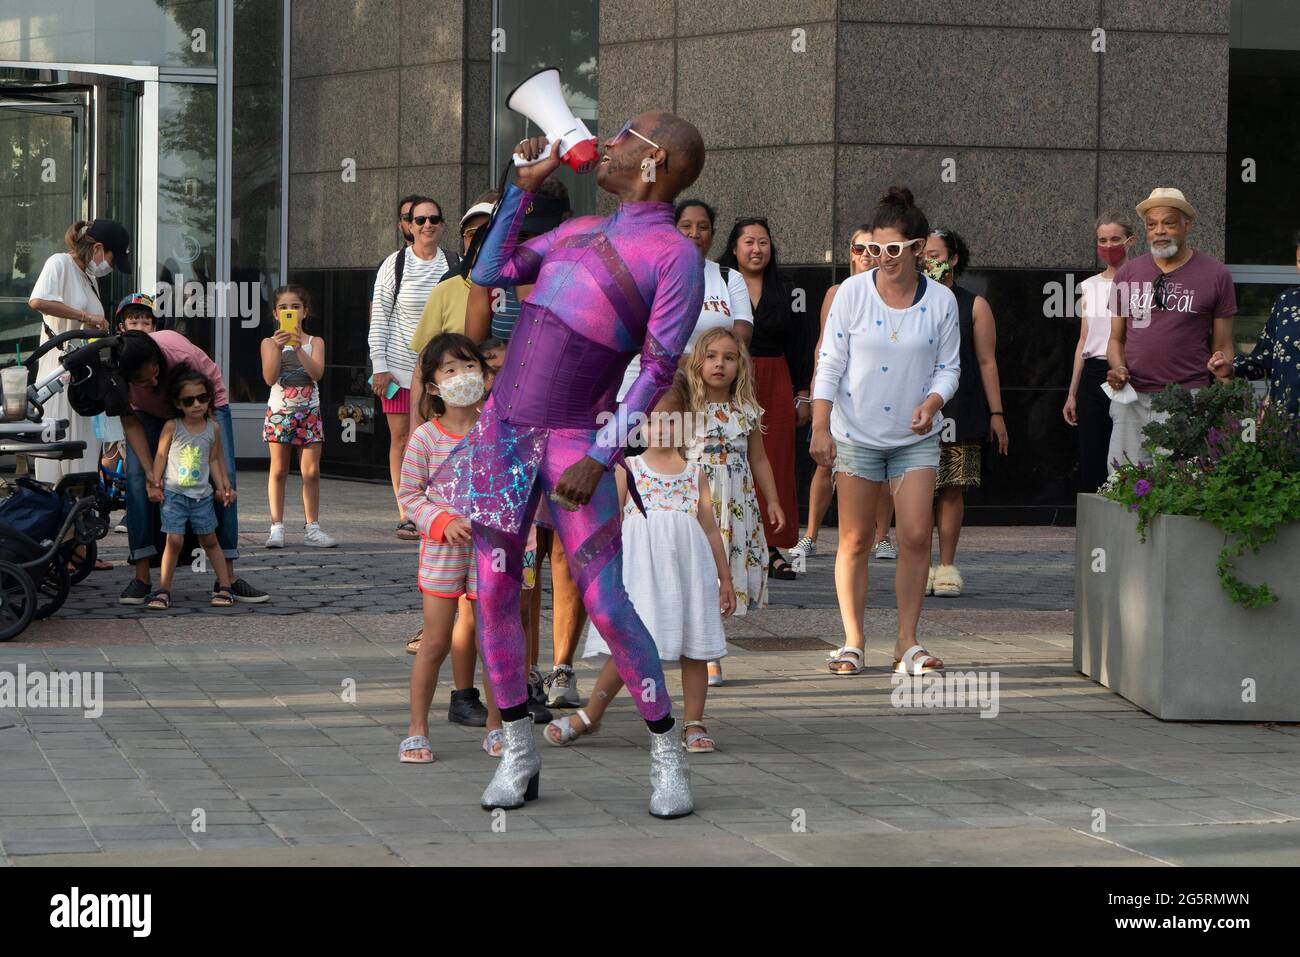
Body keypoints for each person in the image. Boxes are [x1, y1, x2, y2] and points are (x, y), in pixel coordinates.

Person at [431, 111, 707, 817]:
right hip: (504, 433)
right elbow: (487, 272)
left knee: (606, 600)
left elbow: (660, 363)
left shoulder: (674, 254)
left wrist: (604, 450)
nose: (605, 144)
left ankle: (666, 749)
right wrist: (519, 190)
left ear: (656, 163)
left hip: (577, 439)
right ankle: (519, 750)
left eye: (623, 136)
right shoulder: (578, 229)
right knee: (493, 591)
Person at [811, 186, 959, 677]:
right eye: (874, 249)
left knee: (916, 534)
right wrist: (820, 425)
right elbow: (829, 362)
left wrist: (933, 401)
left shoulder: (941, 301)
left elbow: (949, 368)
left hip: (915, 436)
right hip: (855, 432)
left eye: (893, 249)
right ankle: (852, 640)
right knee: (854, 539)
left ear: (918, 248)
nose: (883, 258)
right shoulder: (851, 293)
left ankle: (906, 642)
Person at [549, 384, 734, 751]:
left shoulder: (695, 473)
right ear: (638, 425)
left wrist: (725, 578)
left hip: (688, 573)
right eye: (653, 420)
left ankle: (694, 723)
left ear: (689, 423)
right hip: (640, 572)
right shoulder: (628, 468)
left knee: (694, 647)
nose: (663, 427)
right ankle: (590, 715)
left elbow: (711, 528)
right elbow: (610, 524)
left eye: (672, 419)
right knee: (629, 644)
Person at [397, 333, 501, 762]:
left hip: (491, 550)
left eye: (470, 366)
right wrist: (441, 522)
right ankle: (417, 729)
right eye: (450, 370)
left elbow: (514, 486)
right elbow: (410, 495)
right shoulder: (423, 438)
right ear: (434, 386)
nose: (463, 376)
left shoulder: (497, 428)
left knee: (494, 639)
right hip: (442, 552)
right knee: (436, 642)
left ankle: (498, 727)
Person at [115, 330, 270, 605]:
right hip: (146, 414)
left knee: (226, 482)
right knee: (137, 480)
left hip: (202, 400)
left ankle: (228, 579)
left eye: (155, 375)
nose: (152, 382)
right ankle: (142, 577)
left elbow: (213, 449)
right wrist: (152, 472)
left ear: (158, 360)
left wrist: (219, 471)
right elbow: (131, 424)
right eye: (143, 382)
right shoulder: (116, 378)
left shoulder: (180, 357)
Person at [1106, 188, 1236, 471]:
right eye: (1152, 225)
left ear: (1187, 224)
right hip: (1133, 399)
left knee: (1181, 486)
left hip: (1187, 399)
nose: (1159, 231)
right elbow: (1116, 340)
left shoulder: (1216, 275)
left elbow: (1224, 346)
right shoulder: (1127, 274)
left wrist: (1224, 366)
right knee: (1124, 482)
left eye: (1169, 223)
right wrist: (1118, 369)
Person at [681, 328, 783, 687]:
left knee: (726, 572)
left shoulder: (747, 411)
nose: (719, 364)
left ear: (740, 364)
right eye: (710, 356)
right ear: (698, 361)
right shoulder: (687, 408)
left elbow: (759, 459)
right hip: (697, 503)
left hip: (736, 504)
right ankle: (696, 651)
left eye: (728, 357)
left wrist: (772, 499)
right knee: (698, 571)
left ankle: (712, 652)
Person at [718, 217, 810, 580]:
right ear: (735, 247)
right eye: (749, 242)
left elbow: (801, 344)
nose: (757, 250)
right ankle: (728, 542)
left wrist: (803, 393)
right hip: (727, 377)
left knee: (774, 460)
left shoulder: (789, 289)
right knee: (727, 456)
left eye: (764, 243)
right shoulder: (719, 283)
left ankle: (773, 547)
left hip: (776, 378)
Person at [790, 227, 888, 563]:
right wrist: (816, 391)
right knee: (824, 464)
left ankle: (884, 537)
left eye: (872, 248)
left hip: (878, 392)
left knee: (882, 465)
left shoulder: (892, 292)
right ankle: (810, 536)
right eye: (859, 248)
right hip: (838, 393)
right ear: (850, 253)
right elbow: (823, 344)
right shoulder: (837, 291)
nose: (866, 255)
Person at [922, 228, 1009, 597]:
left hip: (963, 404)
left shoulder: (974, 305)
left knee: (952, 488)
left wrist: (997, 413)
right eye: (923, 254)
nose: (928, 261)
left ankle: (945, 567)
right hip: (915, 405)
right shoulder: (908, 299)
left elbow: (987, 362)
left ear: (954, 259)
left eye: (935, 254)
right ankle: (919, 566)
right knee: (918, 488)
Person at [370, 196, 453, 540]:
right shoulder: (395, 263)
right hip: (399, 370)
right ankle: (407, 511)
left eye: (434, 218)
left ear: (442, 224)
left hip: (441, 372)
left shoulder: (454, 263)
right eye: (419, 220)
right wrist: (379, 366)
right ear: (408, 226)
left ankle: (437, 506)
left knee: (442, 439)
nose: (427, 225)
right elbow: (380, 316)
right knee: (402, 440)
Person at [615, 199, 754, 402]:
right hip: (650, 392)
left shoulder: (729, 277)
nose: (695, 233)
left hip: (710, 391)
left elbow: (742, 336)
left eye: (703, 227)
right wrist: (697, 363)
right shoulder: (650, 275)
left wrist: (704, 365)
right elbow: (639, 336)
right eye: (686, 226)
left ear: (713, 234)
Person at [27, 219, 128, 484]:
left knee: (83, 451)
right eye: (111, 258)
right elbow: (38, 300)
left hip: (84, 378)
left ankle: (79, 513)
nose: (111, 266)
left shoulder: (89, 277)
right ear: (97, 248)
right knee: (57, 449)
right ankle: (54, 513)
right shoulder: (59, 263)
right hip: (57, 373)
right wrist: (85, 316)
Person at [142, 366, 238, 610]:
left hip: (202, 498)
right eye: (189, 400)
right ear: (178, 403)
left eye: (203, 398)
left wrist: (222, 485)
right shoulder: (172, 427)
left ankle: (225, 586)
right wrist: (154, 483)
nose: (197, 404)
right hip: (174, 495)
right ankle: (163, 589)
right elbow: (161, 455)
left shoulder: (213, 427)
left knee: (210, 540)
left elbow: (214, 459)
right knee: (173, 541)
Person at [1064, 215, 1135, 492]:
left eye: (1115, 239)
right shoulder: (1090, 286)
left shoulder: (1143, 282)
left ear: (1130, 241)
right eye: (1102, 240)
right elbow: (1084, 340)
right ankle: (1094, 528)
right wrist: (1072, 392)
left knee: (1127, 453)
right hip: (1094, 374)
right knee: (1092, 453)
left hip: (1129, 372)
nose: (1108, 245)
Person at [261, 284, 335, 548]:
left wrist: (299, 348)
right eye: (283, 307)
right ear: (275, 313)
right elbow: (270, 378)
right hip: (280, 412)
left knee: (311, 472)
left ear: (305, 312)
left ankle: (312, 528)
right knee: (279, 469)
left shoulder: (316, 342)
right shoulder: (269, 343)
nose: (289, 311)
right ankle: (276, 527)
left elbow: (316, 374)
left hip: (309, 413)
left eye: (295, 307)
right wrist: (281, 348)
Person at [1209, 229, 1300, 413]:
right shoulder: (1286, 302)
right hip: (1287, 428)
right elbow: (1263, 358)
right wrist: (1231, 369)